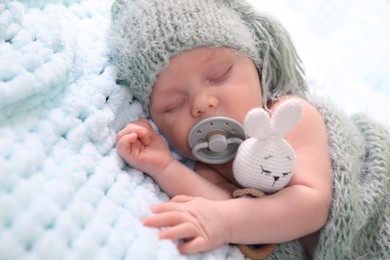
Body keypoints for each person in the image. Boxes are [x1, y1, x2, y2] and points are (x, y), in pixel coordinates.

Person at [109, 0, 390, 259]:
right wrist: (165, 167)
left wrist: (225, 223)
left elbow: (312, 206)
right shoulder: (208, 168)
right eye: (173, 105)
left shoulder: (288, 117)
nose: (202, 104)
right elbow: (230, 211)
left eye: (219, 75)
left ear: (256, 66)